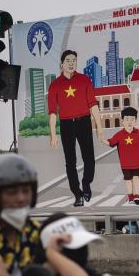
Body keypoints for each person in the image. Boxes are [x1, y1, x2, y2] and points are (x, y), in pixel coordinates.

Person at [48, 50, 105, 206]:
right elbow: (52, 112)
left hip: (84, 122)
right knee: (70, 161)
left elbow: (93, 105)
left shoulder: (84, 80)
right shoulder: (55, 85)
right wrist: (53, 134)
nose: (71, 63)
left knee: (89, 157)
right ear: (62, 64)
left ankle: (86, 183)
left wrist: (99, 127)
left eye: (74, 60)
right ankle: (77, 193)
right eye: (68, 60)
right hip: (66, 125)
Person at [107, 107, 139, 205]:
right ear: (122, 121)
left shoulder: (138, 132)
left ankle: (138, 196)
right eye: (127, 119)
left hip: (138, 162)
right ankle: (130, 197)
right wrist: (101, 138)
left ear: (135, 121)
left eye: (132, 119)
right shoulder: (119, 135)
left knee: (137, 178)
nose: (130, 121)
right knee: (128, 180)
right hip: (125, 164)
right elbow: (110, 142)